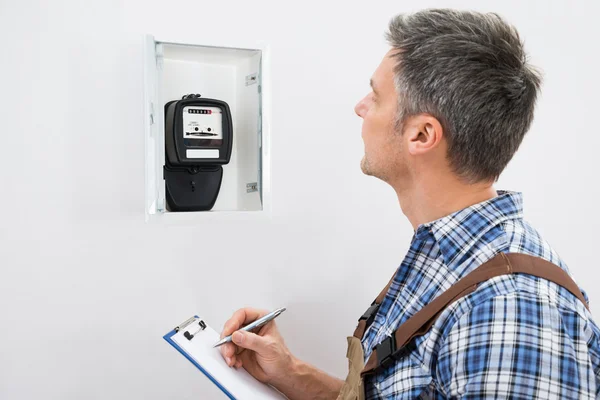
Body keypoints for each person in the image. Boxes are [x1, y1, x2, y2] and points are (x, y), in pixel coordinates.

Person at [219, 9, 600, 399]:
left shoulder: (510, 312)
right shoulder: (446, 255)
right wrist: (291, 374)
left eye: (377, 96)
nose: (361, 107)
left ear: (421, 134)